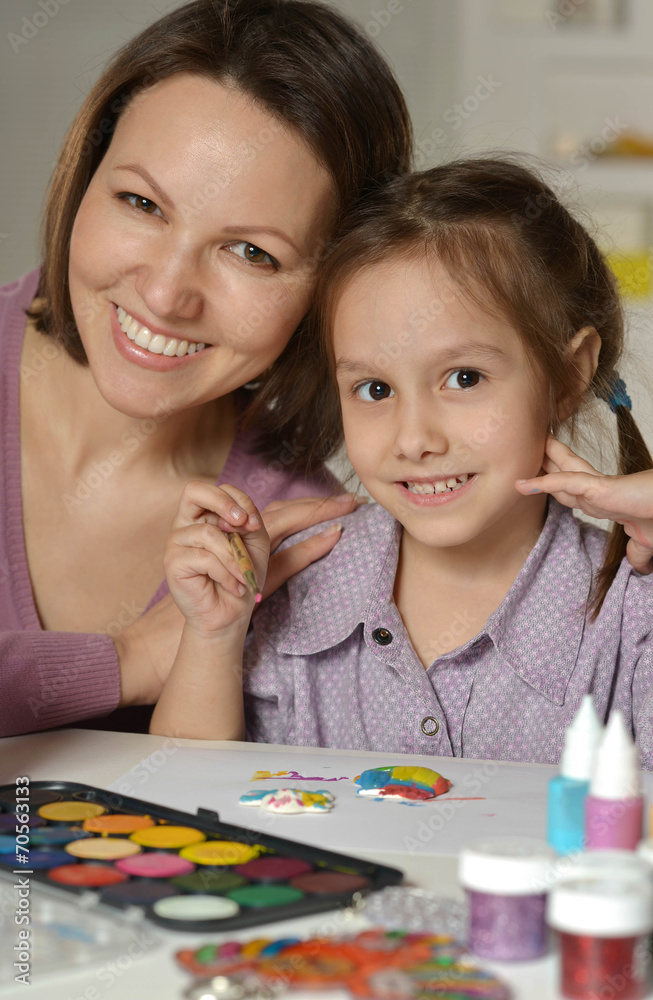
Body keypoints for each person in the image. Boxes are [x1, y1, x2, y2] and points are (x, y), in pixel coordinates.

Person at [153, 156, 653, 767]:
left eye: (463, 378)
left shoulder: (633, 618)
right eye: (374, 390)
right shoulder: (292, 586)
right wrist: (213, 636)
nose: (413, 439)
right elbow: (185, 791)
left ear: (568, 376)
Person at [0, 0, 413, 737]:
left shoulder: (297, 541)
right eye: (140, 203)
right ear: (83, 178)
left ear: (332, 286)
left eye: (252, 253)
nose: (164, 293)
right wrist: (123, 661)